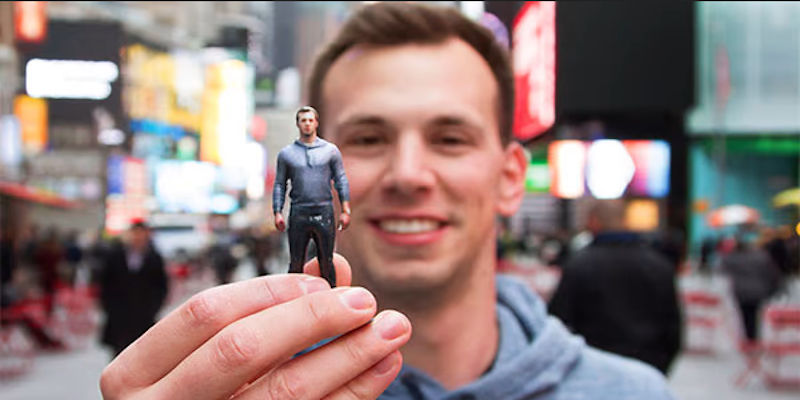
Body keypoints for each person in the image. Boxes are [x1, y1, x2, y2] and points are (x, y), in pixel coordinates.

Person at [100, 3, 674, 399]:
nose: (408, 174)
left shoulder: (636, 393)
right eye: (369, 139)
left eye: (450, 139)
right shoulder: (233, 389)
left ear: (509, 176)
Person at [549, 199, 682, 375]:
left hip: (594, 370)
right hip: (647, 366)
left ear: (594, 221)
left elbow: (559, 320)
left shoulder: (580, 265)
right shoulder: (659, 265)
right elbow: (673, 326)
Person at [273, 105, 351, 286]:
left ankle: (331, 298)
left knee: (326, 261)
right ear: (298, 124)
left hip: (324, 211)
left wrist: (346, 209)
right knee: (296, 263)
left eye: (310, 120)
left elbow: (341, 179)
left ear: (316, 123)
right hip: (299, 211)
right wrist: (277, 211)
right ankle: (292, 299)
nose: (307, 124)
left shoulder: (330, 151)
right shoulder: (287, 154)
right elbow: (279, 184)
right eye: (303, 120)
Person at [98, 220, 168, 358]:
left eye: (141, 234)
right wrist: (109, 306)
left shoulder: (154, 258)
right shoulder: (115, 255)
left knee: (142, 355)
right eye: (135, 233)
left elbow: (161, 285)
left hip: (144, 313)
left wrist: (154, 307)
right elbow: (106, 283)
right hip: (119, 313)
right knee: (118, 353)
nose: (137, 237)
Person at [720, 234, 783, 341]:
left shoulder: (735, 258)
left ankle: (748, 337)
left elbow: (722, 266)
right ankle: (753, 336)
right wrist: (772, 289)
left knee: (745, 314)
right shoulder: (762, 257)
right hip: (758, 292)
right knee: (754, 314)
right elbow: (773, 273)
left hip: (741, 292)